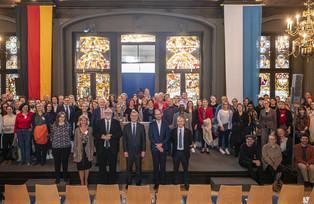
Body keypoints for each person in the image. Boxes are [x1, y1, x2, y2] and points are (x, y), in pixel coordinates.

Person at [94, 108, 122, 184]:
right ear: (104, 113)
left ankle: (112, 182)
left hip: (112, 148)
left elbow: (120, 133)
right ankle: (103, 181)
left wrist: (111, 136)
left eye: (109, 112)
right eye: (106, 112)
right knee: (102, 166)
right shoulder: (99, 122)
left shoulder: (116, 122)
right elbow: (94, 133)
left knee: (112, 166)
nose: (108, 114)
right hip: (101, 148)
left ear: (112, 113)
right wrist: (101, 136)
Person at [123, 110, 146, 185]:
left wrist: (143, 150)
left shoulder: (141, 126)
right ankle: (128, 183)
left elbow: (143, 139)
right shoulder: (126, 127)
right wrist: (125, 151)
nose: (134, 117)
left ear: (137, 117)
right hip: (129, 152)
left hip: (138, 151)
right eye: (132, 116)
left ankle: (138, 183)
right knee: (128, 168)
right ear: (130, 116)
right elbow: (124, 140)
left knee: (138, 168)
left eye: (135, 116)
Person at [149, 109, 170, 188]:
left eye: (159, 114)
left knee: (163, 166)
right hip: (155, 148)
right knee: (155, 166)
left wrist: (161, 144)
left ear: (161, 114)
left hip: (163, 148)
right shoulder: (152, 124)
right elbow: (150, 137)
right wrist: (157, 146)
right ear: (154, 115)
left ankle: (163, 182)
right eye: (156, 114)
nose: (157, 115)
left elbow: (167, 136)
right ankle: (156, 183)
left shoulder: (166, 124)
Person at [171, 116, 193, 190]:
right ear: (177, 122)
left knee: (185, 169)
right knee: (175, 169)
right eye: (178, 121)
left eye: (181, 121)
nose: (180, 122)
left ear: (184, 122)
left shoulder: (188, 131)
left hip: (185, 153)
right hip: (176, 153)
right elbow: (171, 141)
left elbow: (190, 142)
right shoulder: (173, 131)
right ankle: (175, 183)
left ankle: (186, 183)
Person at [51, 112, 72, 184]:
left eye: (63, 117)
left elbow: (69, 134)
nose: (62, 118)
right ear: (58, 118)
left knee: (65, 162)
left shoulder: (68, 125)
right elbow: (52, 135)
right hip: (56, 147)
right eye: (60, 117)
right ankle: (57, 178)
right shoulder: (54, 125)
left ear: (65, 118)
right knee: (57, 163)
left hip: (66, 147)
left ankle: (65, 176)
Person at [73, 115, 94, 185]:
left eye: (85, 120)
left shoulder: (90, 129)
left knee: (87, 166)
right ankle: (82, 181)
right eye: (82, 120)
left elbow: (92, 141)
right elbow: (75, 141)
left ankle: (86, 180)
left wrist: (92, 151)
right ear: (80, 121)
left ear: (87, 121)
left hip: (87, 151)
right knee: (80, 167)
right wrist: (75, 152)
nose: (83, 121)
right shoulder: (77, 130)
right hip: (79, 151)